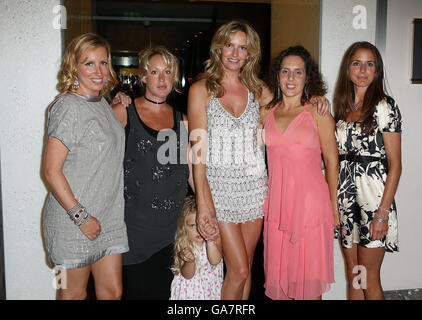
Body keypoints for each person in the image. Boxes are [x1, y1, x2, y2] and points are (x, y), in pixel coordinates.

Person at [42, 33, 129, 300]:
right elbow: (50, 171)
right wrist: (81, 217)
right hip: (74, 220)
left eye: (103, 63)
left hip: (109, 217)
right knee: (73, 296)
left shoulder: (101, 102)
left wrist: (117, 108)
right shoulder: (67, 106)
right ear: (74, 67)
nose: (98, 71)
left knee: (112, 293)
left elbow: (96, 139)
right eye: (88, 63)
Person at [188, 20, 268, 300]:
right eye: (229, 45)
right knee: (240, 271)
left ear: (250, 53)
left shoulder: (258, 90)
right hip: (219, 191)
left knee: (245, 267)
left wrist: (317, 100)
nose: (235, 53)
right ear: (219, 48)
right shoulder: (201, 90)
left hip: (255, 190)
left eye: (242, 47)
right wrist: (202, 201)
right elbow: (198, 153)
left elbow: (291, 111)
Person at [112, 46, 193, 300]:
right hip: (135, 230)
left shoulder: (184, 120)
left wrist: (207, 208)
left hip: (173, 231)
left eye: (167, 72)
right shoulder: (124, 112)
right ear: (143, 77)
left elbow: (193, 171)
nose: (161, 79)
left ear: (174, 77)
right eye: (154, 72)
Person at [260, 45, 339, 300]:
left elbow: (332, 160)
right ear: (277, 75)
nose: (291, 78)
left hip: (310, 210)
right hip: (278, 209)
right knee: (283, 285)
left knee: (308, 287)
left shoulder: (318, 112)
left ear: (308, 77)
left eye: (298, 72)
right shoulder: (266, 112)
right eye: (285, 71)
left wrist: (334, 207)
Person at [333, 41, 402, 300]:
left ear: (377, 70)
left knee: (369, 277)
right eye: (356, 63)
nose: (363, 70)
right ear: (348, 69)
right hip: (346, 199)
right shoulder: (342, 108)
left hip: (374, 201)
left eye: (369, 64)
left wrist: (383, 214)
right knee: (354, 274)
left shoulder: (385, 106)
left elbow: (396, 165)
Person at [170, 195, 223, 300]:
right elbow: (187, 275)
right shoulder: (184, 246)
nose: (198, 230)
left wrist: (210, 240)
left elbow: (215, 261)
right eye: (192, 226)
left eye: (202, 225)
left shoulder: (213, 242)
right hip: (190, 293)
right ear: (184, 227)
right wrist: (190, 261)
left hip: (210, 291)